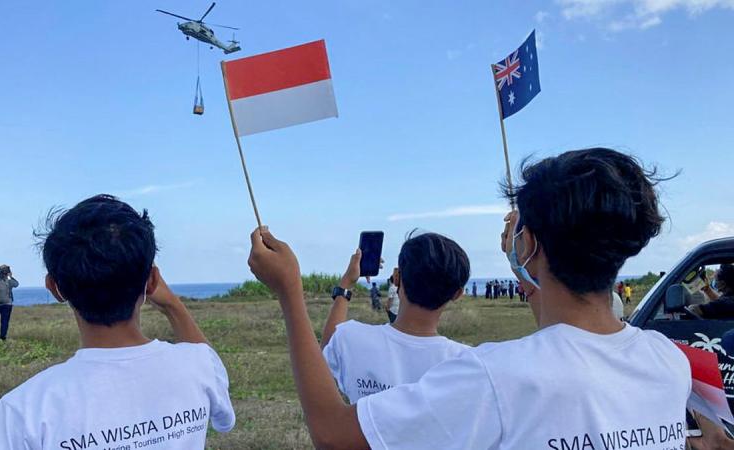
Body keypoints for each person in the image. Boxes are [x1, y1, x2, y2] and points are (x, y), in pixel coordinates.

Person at [247, 148, 690, 449]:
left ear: (529, 244)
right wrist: (526, 259)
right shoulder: (667, 361)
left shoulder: (496, 377)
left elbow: (332, 433)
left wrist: (289, 292)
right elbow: (567, 345)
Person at [0, 195, 235, 449]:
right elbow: (224, 419)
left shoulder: (22, 411)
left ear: (55, 288)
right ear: (152, 281)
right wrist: (173, 305)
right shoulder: (199, 364)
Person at [319, 232, 470, 403]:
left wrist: (346, 284)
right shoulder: (468, 363)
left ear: (397, 278)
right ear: (458, 294)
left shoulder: (351, 338)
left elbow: (324, 355)